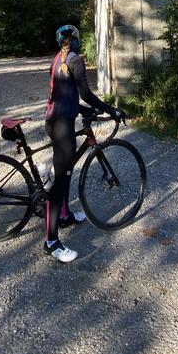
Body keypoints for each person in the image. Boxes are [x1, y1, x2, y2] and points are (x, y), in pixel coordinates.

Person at [43, 24, 122, 263]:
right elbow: (85, 93)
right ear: (75, 39)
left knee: (65, 173)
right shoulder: (75, 61)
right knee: (59, 183)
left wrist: (86, 111)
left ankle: (65, 215)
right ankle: (51, 242)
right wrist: (111, 110)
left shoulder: (57, 59)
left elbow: (65, 96)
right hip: (62, 124)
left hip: (54, 121)